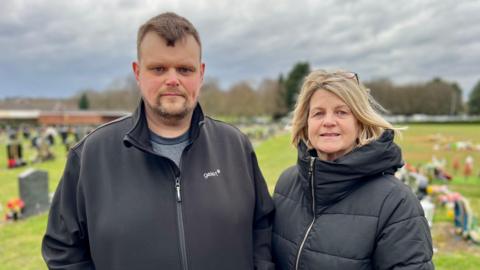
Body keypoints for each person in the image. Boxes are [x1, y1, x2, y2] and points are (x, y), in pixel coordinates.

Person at [42, 12, 275, 270]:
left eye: (185, 69)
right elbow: (63, 250)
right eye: (159, 69)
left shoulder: (235, 147)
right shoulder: (91, 155)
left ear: (201, 73)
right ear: (137, 72)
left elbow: (262, 229)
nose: (172, 79)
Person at [272, 70, 434, 269]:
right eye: (318, 113)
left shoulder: (395, 202)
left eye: (342, 112)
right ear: (306, 124)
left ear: (360, 122)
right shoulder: (287, 184)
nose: (328, 121)